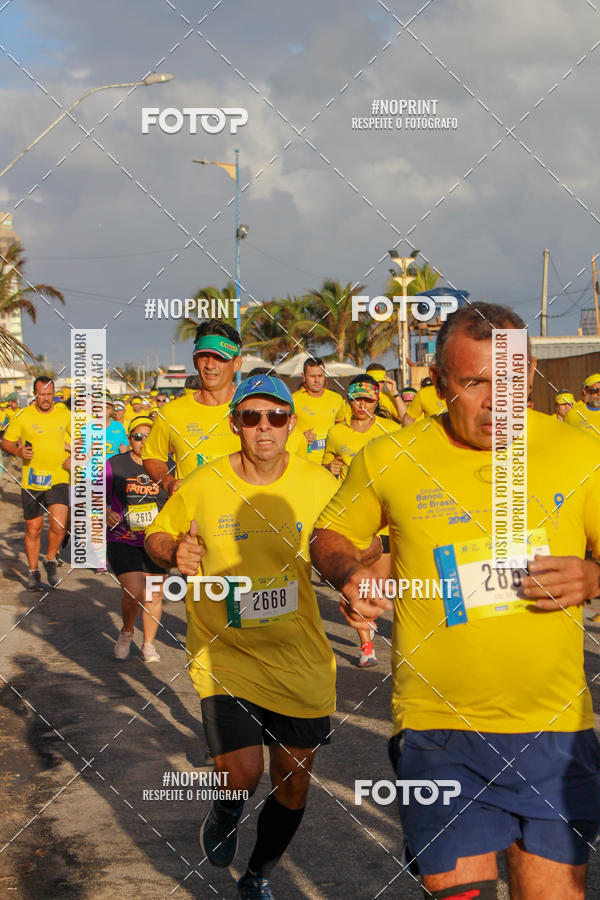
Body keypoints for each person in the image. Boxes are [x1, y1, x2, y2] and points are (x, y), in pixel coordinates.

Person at [311, 302, 600, 900]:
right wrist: (349, 572)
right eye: (475, 383)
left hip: (554, 734)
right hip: (438, 730)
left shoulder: (579, 453)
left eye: (512, 380)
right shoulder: (391, 455)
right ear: (440, 383)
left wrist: (592, 578)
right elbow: (330, 534)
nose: (498, 400)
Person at [145, 374, 337, 900]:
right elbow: (157, 534)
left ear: (292, 424)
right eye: (251, 417)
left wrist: (362, 582)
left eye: (276, 416)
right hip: (223, 651)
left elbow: (354, 541)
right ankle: (227, 808)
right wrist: (173, 553)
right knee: (241, 773)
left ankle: (259, 874)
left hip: (299, 655)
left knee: (294, 781)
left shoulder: (320, 484)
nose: (264, 427)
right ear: (235, 425)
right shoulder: (204, 484)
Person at [322, 374, 401, 667]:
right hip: (352, 522)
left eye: (368, 400)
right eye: (356, 400)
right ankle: (366, 646)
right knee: (359, 586)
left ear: (376, 400)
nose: (362, 406)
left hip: (384, 521)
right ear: (349, 401)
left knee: (377, 586)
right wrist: (329, 467)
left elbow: (413, 439)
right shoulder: (337, 433)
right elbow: (325, 468)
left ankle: (368, 618)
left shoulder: (390, 430)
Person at [142, 320, 242, 494]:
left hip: (243, 514)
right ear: (195, 361)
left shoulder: (253, 409)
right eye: (204, 357)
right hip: (191, 517)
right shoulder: (171, 412)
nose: (210, 365)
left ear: (237, 363)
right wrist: (168, 482)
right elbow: (152, 456)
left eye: (220, 358)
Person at [106, 416, 168, 662]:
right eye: (137, 436)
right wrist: (107, 511)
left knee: (153, 594)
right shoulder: (115, 464)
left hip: (157, 539)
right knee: (133, 593)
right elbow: (95, 493)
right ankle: (127, 631)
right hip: (123, 537)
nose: (142, 441)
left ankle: (149, 645)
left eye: (148, 436)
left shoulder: (167, 465)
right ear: (129, 439)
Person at [1, 376, 70, 590]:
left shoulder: (64, 414)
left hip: (58, 477)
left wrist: (74, 455)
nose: (46, 399)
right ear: (35, 394)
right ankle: (33, 572)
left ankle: (50, 559)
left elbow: (80, 439)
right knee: (33, 528)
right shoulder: (22, 416)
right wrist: (18, 451)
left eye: (50, 395)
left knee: (58, 524)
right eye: (42, 395)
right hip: (31, 480)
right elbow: (5, 442)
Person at [292, 357, 344, 464]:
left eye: (320, 376)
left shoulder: (337, 399)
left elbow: (342, 427)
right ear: (304, 376)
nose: (317, 380)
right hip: (303, 463)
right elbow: (282, 431)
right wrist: (300, 437)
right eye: (312, 376)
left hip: (331, 464)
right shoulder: (292, 400)